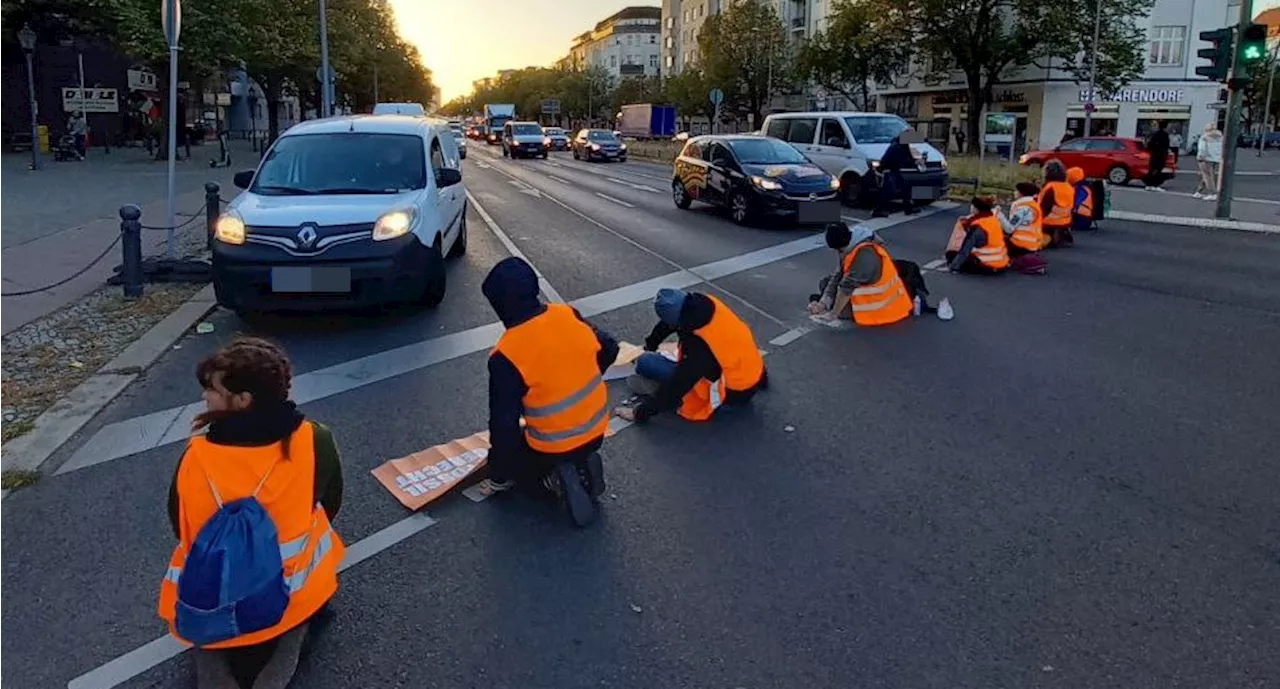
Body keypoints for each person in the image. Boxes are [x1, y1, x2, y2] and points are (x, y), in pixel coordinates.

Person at [159, 337, 345, 689]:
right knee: (317, 526)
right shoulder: (313, 439)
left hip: (212, 588)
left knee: (207, 629)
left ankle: (212, 664)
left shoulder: (196, 456)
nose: (204, 397)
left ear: (243, 401)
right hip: (291, 589)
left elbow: (177, 521)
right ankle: (290, 644)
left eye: (212, 390)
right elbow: (331, 501)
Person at [479, 257, 616, 526]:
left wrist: (497, 476)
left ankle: (552, 479)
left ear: (499, 306)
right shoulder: (568, 315)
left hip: (551, 445)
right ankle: (582, 463)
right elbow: (610, 348)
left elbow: (503, 425)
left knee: (519, 461)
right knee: (552, 444)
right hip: (598, 429)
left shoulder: (506, 355)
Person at [616, 288, 767, 424]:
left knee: (645, 363)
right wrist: (650, 344)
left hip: (729, 396)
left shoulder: (699, 345)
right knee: (651, 361)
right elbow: (667, 325)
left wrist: (640, 413)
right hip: (750, 377)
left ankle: (657, 390)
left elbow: (679, 383)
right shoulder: (706, 305)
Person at [810, 223, 918, 324]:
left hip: (881, 307)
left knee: (840, 309)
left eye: (840, 251)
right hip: (865, 292)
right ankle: (829, 305)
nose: (840, 254)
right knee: (825, 283)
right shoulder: (851, 244)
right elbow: (838, 274)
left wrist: (833, 314)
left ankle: (839, 309)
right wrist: (823, 302)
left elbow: (846, 288)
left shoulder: (865, 255)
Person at [946, 196, 1010, 274]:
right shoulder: (993, 220)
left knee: (951, 254)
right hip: (1001, 262)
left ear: (976, 208)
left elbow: (966, 249)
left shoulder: (977, 226)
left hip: (986, 265)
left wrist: (954, 266)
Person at [995, 182, 1049, 274]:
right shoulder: (1033, 205)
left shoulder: (1023, 209)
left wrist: (999, 215)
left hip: (1020, 244)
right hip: (1032, 244)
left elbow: (1009, 228)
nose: (1014, 192)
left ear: (1021, 193)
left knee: (996, 240)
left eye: (1016, 190)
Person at [872, 131, 922, 218]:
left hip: (894, 170)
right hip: (888, 170)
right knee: (888, 191)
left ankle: (908, 208)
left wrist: (915, 162)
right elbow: (889, 159)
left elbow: (908, 157)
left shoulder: (902, 145)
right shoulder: (895, 146)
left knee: (904, 188)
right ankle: (877, 211)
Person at [1037, 160, 1074, 248]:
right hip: (1066, 219)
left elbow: (1044, 207)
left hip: (1049, 221)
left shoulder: (1050, 188)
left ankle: (1048, 237)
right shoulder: (1068, 187)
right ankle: (1060, 233)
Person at [1194, 122, 1223, 201]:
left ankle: (1212, 193)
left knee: (1207, 176)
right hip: (1215, 158)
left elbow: (1202, 148)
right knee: (1207, 175)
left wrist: (1200, 157)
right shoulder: (1220, 137)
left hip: (1205, 158)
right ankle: (1199, 191)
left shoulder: (1205, 137)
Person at [1066, 166, 1095, 233]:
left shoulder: (1080, 189)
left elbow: (1075, 203)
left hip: (1081, 218)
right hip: (1084, 218)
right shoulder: (1084, 188)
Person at [1144, 121, 1170, 190]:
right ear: (1166, 127)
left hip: (1154, 154)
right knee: (1158, 170)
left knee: (1152, 169)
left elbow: (1150, 144)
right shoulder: (1165, 135)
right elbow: (1166, 146)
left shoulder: (1155, 134)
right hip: (1161, 155)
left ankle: (1149, 185)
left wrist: (1152, 150)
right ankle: (1155, 185)